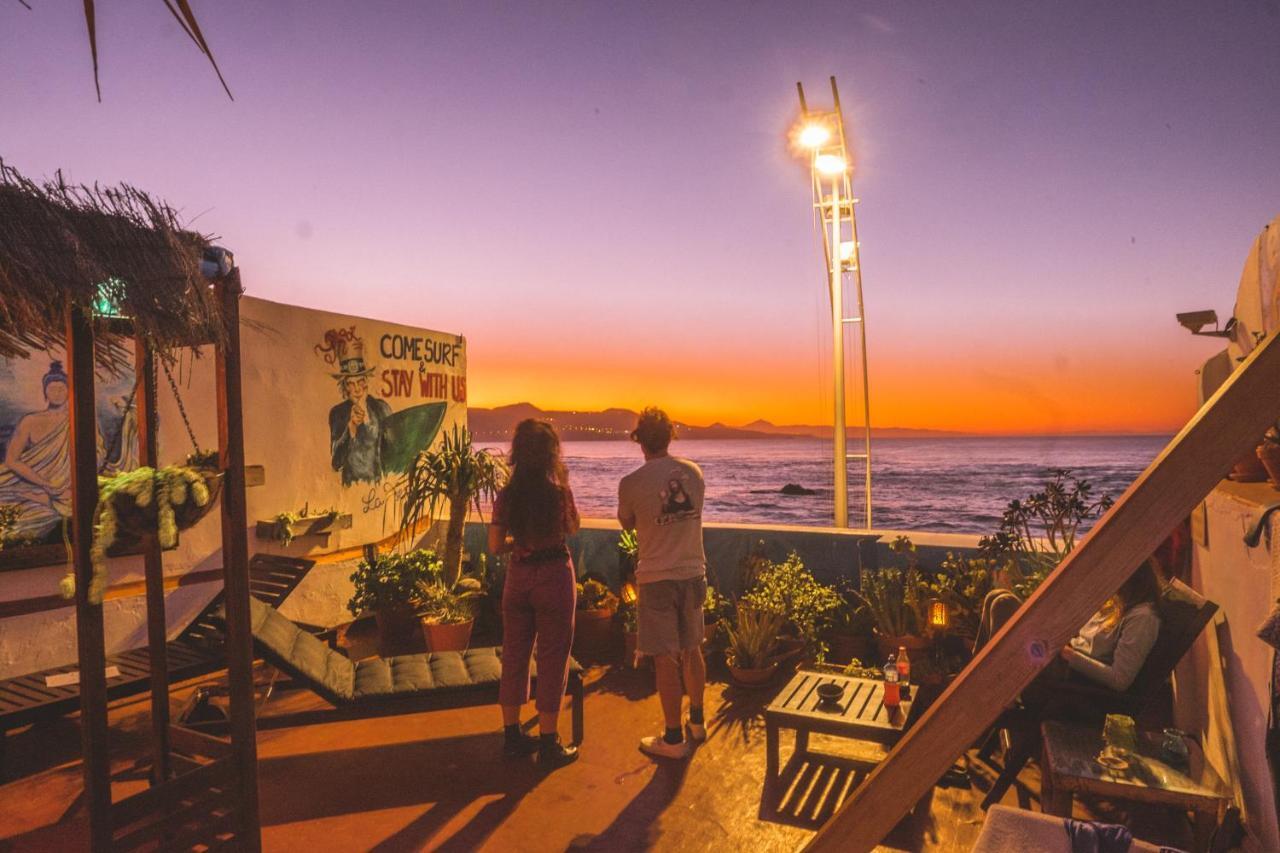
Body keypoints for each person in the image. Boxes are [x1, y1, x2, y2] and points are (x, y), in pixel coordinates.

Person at [489, 419, 580, 769]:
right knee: (553, 659)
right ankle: (548, 742)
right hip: (554, 576)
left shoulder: (507, 496)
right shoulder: (558, 493)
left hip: (519, 577)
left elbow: (497, 545)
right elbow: (572, 527)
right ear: (550, 454)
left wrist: (520, 541)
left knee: (514, 655)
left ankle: (512, 736)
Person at [618, 407, 707, 759]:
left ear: (640, 440)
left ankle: (672, 738)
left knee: (664, 658)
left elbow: (627, 524)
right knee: (693, 648)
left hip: (656, 578)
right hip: (693, 571)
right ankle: (697, 722)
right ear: (670, 436)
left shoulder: (631, 483)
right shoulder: (694, 473)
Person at [975, 559, 1163, 693]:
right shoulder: (1118, 604)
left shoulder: (1143, 619)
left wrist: (1069, 655)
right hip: (1057, 654)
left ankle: (988, 686)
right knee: (996, 597)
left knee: (1004, 603)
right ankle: (979, 679)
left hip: (1066, 673)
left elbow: (1120, 679)